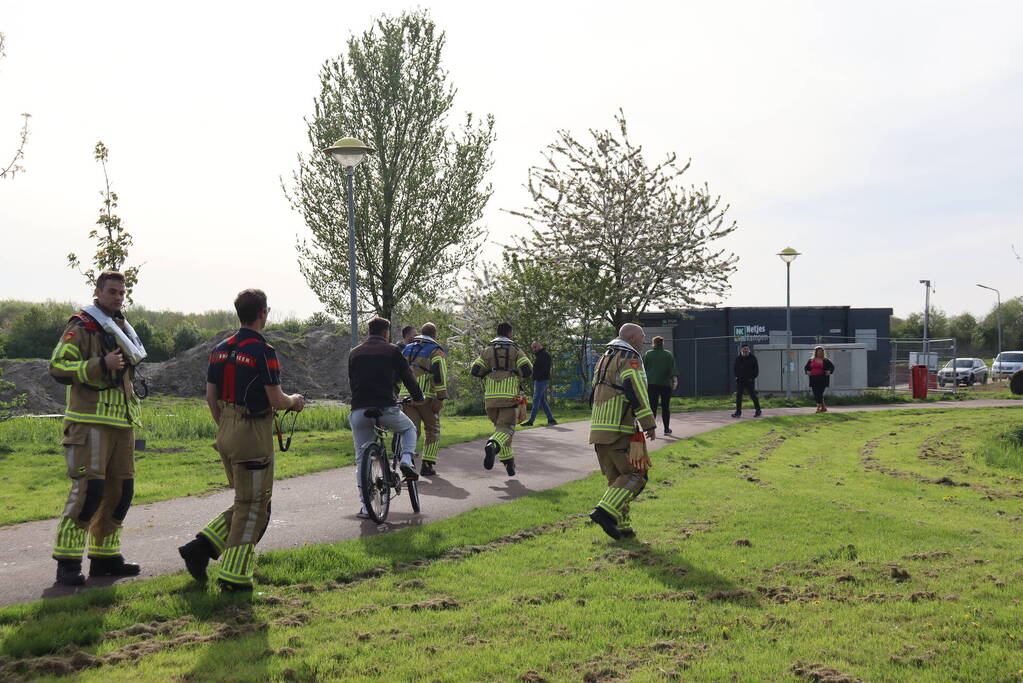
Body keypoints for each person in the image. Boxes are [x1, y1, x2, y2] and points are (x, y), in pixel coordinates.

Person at [177, 289, 305, 591]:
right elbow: (275, 398)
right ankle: (234, 577)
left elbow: (210, 396)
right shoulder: (264, 351)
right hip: (252, 430)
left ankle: (201, 547)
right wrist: (295, 401)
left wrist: (225, 425)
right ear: (262, 312)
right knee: (254, 508)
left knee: (248, 500)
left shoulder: (220, 349)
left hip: (226, 428)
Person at [48, 270, 145, 586]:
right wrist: (100, 365)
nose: (118, 297)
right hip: (88, 423)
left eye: (121, 292)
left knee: (121, 493)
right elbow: (58, 367)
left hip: (122, 424)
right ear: (98, 292)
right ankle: (67, 563)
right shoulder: (81, 327)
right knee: (89, 493)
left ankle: (105, 559)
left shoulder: (121, 328)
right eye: (112, 291)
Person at [348, 317, 425, 517]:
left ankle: (366, 507)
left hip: (359, 410)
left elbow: (353, 381)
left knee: (361, 459)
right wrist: (418, 397)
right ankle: (406, 459)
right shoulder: (392, 351)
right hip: (385, 407)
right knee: (409, 429)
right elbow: (408, 376)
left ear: (368, 332)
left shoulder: (354, 353)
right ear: (386, 333)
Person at [588, 323, 656, 540]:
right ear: (633, 337)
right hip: (618, 428)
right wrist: (648, 422)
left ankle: (623, 527)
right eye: (643, 336)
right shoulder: (629, 357)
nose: (644, 340)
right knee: (636, 475)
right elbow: (634, 390)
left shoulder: (604, 358)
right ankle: (604, 512)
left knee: (617, 478)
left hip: (599, 428)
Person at [471, 322, 533, 476]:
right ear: (509, 333)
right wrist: (514, 371)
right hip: (509, 397)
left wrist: (489, 372)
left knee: (501, 430)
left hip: (490, 398)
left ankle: (509, 463)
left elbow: (475, 370)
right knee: (506, 428)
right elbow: (527, 369)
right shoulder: (515, 350)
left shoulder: (487, 350)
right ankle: (492, 446)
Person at [400, 322, 448, 476]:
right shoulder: (435, 350)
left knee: (411, 430)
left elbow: (398, 371)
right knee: (432, 430)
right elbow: (438, 374)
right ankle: (427, 465)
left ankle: (408, 461)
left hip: (406, 397)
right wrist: (440, 398)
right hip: (426, 397)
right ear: (435, 334)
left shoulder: (407, 348)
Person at [642, 335, 678, 434]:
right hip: (665, 384)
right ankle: (666, 429)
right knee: (665, 407)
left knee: (652, 406)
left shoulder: (648, 354)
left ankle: (651, 428)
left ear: (653, 343)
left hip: (652, 384)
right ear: (663, 343)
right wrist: (675, 381)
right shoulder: (668, 354)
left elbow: (643, 369)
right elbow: (672, 369)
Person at [521, 340, 556, 426]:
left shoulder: (544, 355)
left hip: (541, 380)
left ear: (540, 346)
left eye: (535, 347)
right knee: (542, 401)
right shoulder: (541, 355)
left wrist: (537, 377)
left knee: (536, 400)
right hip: (541, 380)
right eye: (533, 348)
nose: (534, 349)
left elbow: (543, 369)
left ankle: (531, 421)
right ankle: (551, 419)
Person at [732, 343, 762, 418]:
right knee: (738, 396)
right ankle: (738, 412)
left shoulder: (752, 358)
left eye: (747, 349)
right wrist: (736, 377)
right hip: (740, 381)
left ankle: (758, 411)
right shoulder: (738, 358)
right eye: (744, 349)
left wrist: (752, 378)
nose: (746, 350)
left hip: (749, 380)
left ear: (749, 349)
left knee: (753, 395)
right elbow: (735, 368)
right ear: (741, 349)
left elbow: (756, 370)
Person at [805, 346, 835, 413]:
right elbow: (806, 367)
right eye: (818, 352)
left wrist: (829, 371)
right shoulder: (811, 360)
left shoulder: (826, 360)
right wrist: (807, 371)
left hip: (822, 379)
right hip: (813, 378)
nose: (820, 353)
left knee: (820, 393)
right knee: (816, 393)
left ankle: (818, 408)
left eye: (821, 352)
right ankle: (823, 408)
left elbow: (832, 367)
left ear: (823, 353)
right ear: (815, 352)